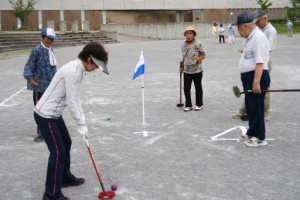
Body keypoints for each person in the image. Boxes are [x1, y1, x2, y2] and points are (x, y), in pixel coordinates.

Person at [34, 42, 109, 200]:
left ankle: (63, 178)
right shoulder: (74, 71)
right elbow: (72, 101)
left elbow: (76, 97)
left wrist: (83, 121)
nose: (96, 68)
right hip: (45, 115)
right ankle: (51, 193)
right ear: (89, 59)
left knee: (66, 142)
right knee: (58, 152)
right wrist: (81, 124)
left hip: (54, 114)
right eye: (96, 65)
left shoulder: (79, 69)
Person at [232, 12, 270, 147]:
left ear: (245, 26)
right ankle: (251, 132)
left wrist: (256, 82)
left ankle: (259, 138)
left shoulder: (258, 37)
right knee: (251, 107)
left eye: (238, 29)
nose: (238, 32)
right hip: (249, 76)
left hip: (256, 76)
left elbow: (260, 62)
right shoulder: (250, 37)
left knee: (257, 107)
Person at [232, 9, 277, 121]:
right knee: (250, 91)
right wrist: (248, 50)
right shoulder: (255, 31)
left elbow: (266, 50)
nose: (255, 22)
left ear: (264, 18)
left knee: (261, 90)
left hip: (262, 63)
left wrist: (251, 51)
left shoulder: (270, 31)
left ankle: (265, 113)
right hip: (254, 63)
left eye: (257, 20)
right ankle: (245, 110)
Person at [23, 28, 58, 142]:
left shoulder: (51, 50)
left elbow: (54, 68)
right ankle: (41, 133)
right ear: (42, 38)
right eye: (48, 39)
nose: (50, 41)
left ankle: (51, 129)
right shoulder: (36, 51)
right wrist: (30, 79)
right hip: (39, 87)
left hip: (51, 86)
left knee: (51, 108)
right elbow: (28, 67)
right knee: (40, 110)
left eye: (52, 39)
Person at [180, 26, 206, 112]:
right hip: (187, 70)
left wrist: (197, 60)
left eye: (190, 33)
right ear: (185, 35)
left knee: (198, 87)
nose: (188, 35)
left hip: (197, 70)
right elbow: (184, 57)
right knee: (186, 88)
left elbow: (203, 55)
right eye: (187, 33)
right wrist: (181, 66)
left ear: (193, 35)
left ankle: (199, 104)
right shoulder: (183, 45)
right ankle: (188, 105)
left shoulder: (198, 44)